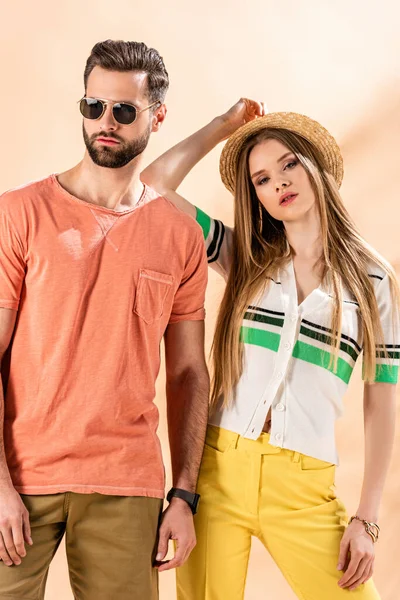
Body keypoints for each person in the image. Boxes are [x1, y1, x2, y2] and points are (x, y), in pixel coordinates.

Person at [141, 100, 400, 599]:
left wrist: (367, 519)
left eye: (288, 164)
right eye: (260, 179)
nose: (278, 183)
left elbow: (382, 398)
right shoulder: (243, 258)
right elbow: (151, 187)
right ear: (254, 196)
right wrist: (221, 128)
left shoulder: (375, 282)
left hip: (303, 487)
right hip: (217, 475)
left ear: (315, 165)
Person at [0, 39, 210, 600]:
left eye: (123, 110)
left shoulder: (181, 237)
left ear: (157, 117)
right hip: (19, 480)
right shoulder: (19, 214)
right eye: (93, 107)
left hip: (127, 483)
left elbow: (189, 371)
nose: (105, 123)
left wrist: (184, 495)